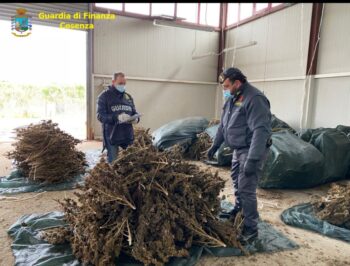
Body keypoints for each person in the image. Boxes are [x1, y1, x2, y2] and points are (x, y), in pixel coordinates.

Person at [207, 67, 272, 243]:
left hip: (251, 150)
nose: (224, 90)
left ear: (237, 83)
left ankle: (251, 229)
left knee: (246, 188)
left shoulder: (254, 98)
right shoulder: (232, 98)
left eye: (226, 86)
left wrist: (253, 159)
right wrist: (215, 145)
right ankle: (239, 209)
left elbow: (261, 131)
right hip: (238, 149)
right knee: (236, 181)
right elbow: (223, 125)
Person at [97, 72, 140, 163]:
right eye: (120, 83)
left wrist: (136, 119)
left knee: (130, 163)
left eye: (124, 84)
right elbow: (100, 116)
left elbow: (134, 112)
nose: (123, 86)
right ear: (113, 82)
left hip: (127, 136)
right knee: (114, 164)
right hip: (112, 136)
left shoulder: (128, 97)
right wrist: (116, 117)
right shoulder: (104, 96)